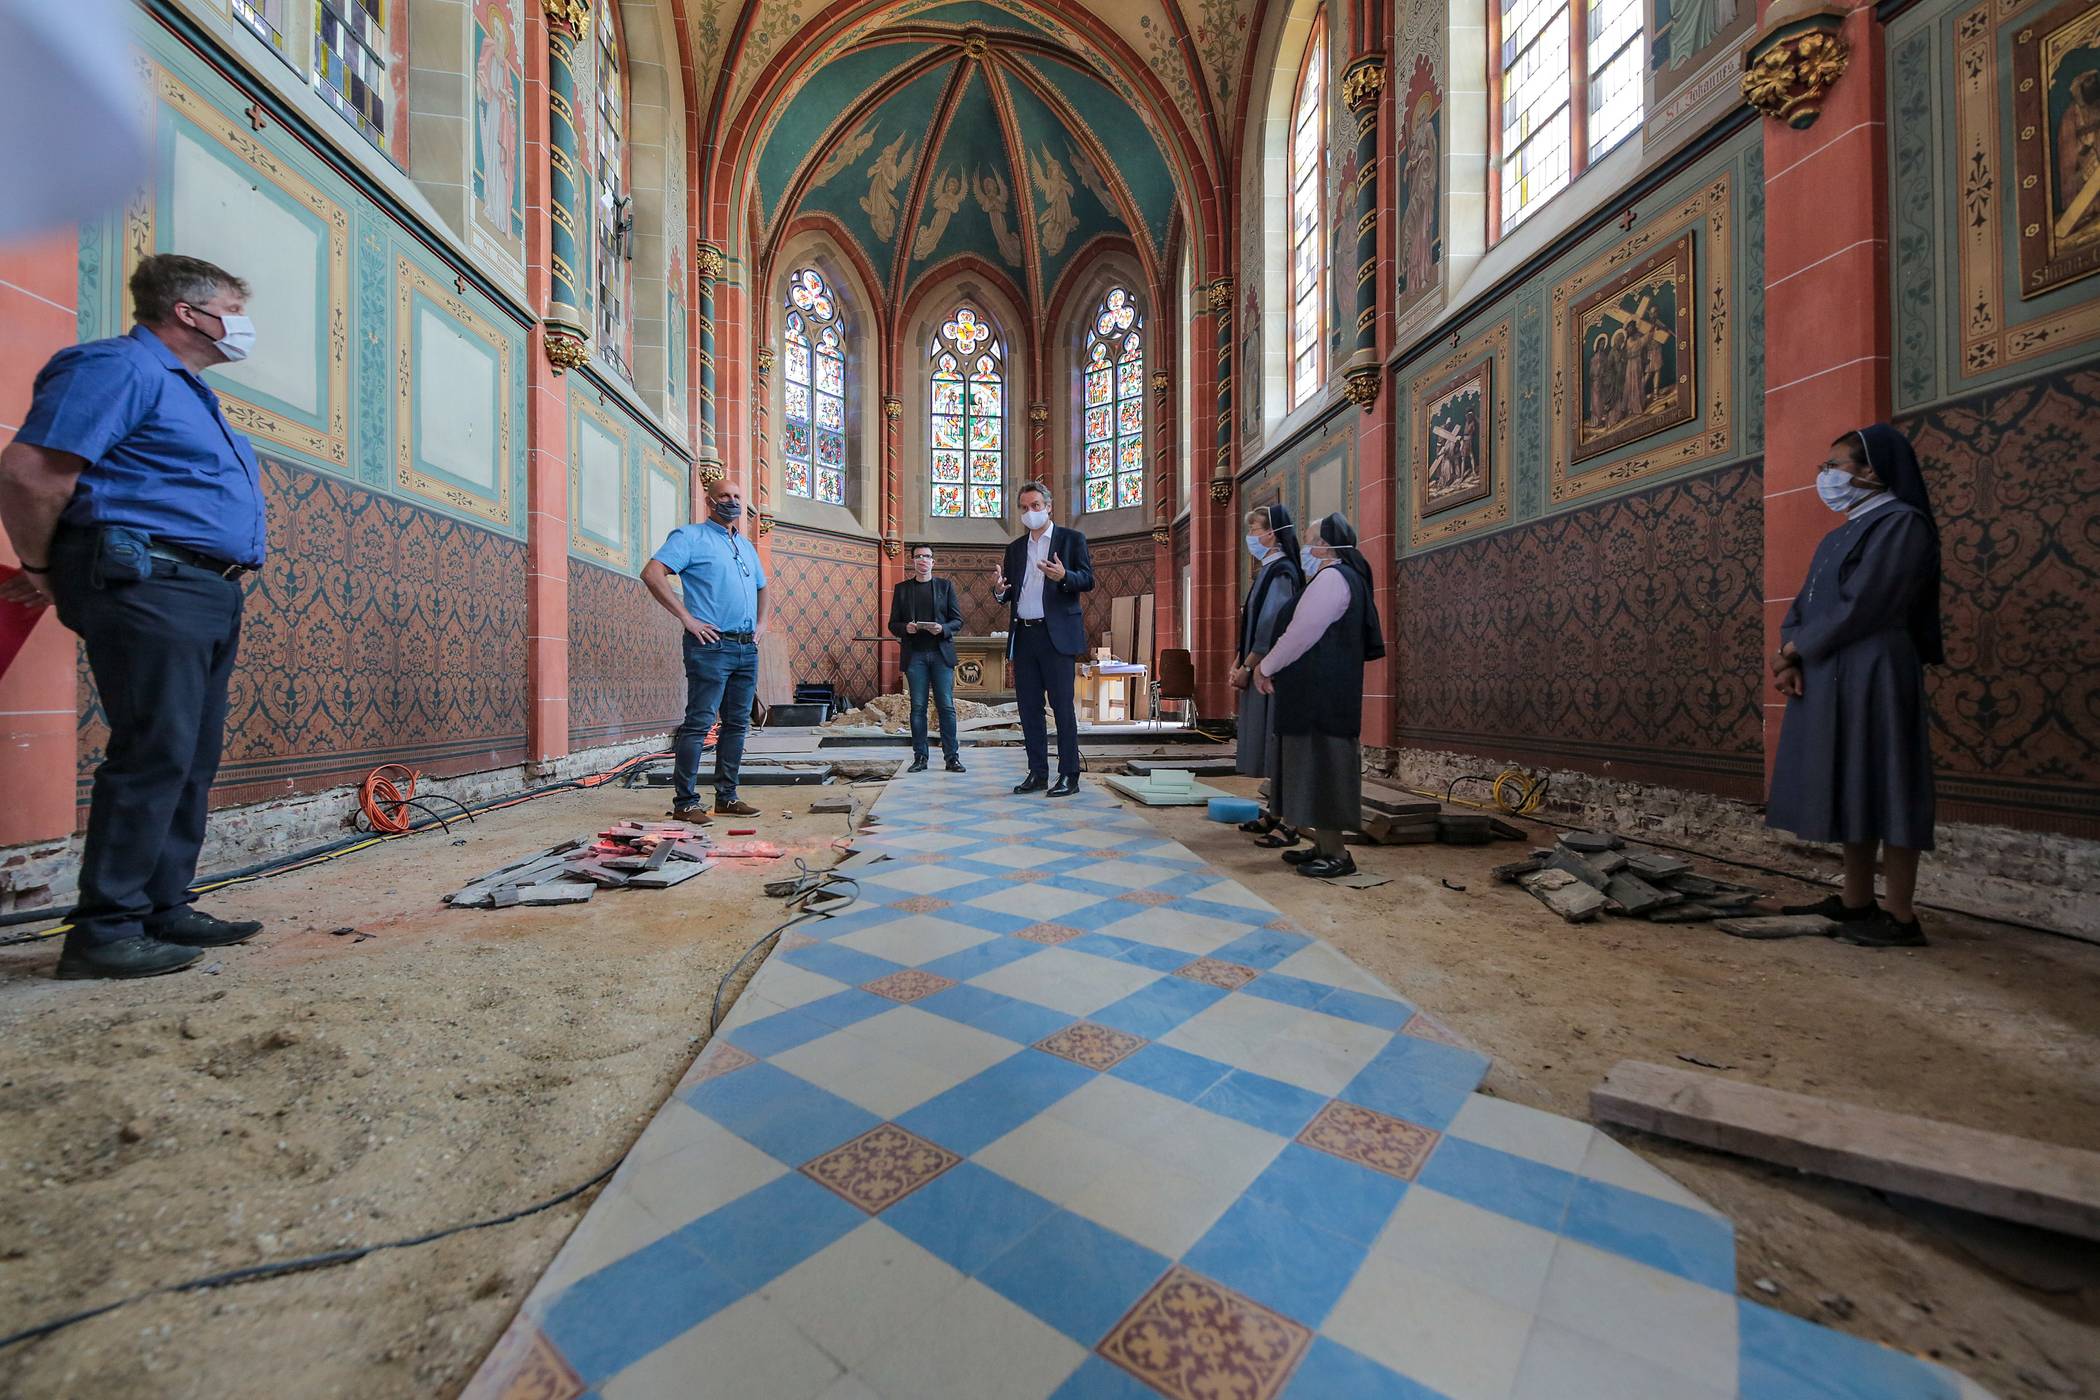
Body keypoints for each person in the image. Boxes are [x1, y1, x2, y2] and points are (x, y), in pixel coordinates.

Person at [0, 253, 267, 979]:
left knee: (188, 755)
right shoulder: (118, 367)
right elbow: (30, 474)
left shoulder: (188, 392)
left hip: (201, 586)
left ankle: (161, 904)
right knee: (154, 750)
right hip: (151, 580)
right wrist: (46, 569)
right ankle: (105, 929)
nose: (242, 326)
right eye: (234, 308)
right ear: (188, 312)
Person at [1767, 424, 1943, 948]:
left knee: (1890, 780)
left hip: (1876, 670)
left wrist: (1798, 650)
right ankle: (1856, 902)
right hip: (1828, 668)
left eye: (1834, 466)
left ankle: (1901, 916)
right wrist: (1789, 654)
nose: (1825, 477)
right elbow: (1805, 603)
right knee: (1854, 781)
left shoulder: (1902, 524)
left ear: (1870, 471)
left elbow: (1866, 603)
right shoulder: (1840, 532)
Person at [1256, 513, 1386, 880]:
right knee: (1311, 772)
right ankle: (1322, 846)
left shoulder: (1332, 579)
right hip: (1320, 698)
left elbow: (1301, 634)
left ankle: (1338, 855)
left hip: (1321, 701)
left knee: (1325, 771)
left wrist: (1266, 667)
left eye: (1312, 540)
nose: (1307, 547)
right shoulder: (1342, 578)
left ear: (1327, 546)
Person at [642, 475, 768, 825]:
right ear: (710, 501)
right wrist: (687, 618)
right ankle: (685, 802)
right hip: (710, 646)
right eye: (724, 495)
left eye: (737, 496)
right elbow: (652, 573)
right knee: (699, 723)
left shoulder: (745, 545)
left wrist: (762, 624)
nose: (732, 501)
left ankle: (727, 797)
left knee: (737, 725)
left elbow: (762, 586)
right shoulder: (690, 537)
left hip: (746, 649)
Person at [992, 480, 1093, 796]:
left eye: (1035, 506)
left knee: (1062, 708)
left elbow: (1087, 580)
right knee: (1029, 709)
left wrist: (1064, 577)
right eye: (1024, 507)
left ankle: (1069, 775)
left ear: (1048, 506)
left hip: (1056, 636)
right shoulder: (1015, 548)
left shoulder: (1071, 539)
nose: (1030, 512)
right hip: (1025, 635)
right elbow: (1008, 593)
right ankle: (1037, 773)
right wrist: (998, 591)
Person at [1229, 504, 1303, 847]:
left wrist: (1249, 666)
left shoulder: (1283, 571)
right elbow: (1252, 623)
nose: (1252, 537)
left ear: (1272, 534)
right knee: (1268, 743)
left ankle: (1289, 822)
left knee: (1278, 744)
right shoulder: (1267, 571)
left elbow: (1272, 624)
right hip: (1257, 666)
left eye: (1256, 529)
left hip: (1273, 673)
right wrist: (1238, 660)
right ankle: (1274, 811)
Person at [888, 543, 967, 774]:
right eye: (918, 556)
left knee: (946, 707)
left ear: (933, 561)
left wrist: (941, 628)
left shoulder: (945, 586)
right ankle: (920, 757)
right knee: (918, 708)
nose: (923, 560)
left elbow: (957, 621)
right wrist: (906, 628)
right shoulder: (902, 589)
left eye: (927, 556)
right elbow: (893, 624)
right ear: (912, 561)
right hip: (916, 657)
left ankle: (952, 758)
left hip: (940, 654)